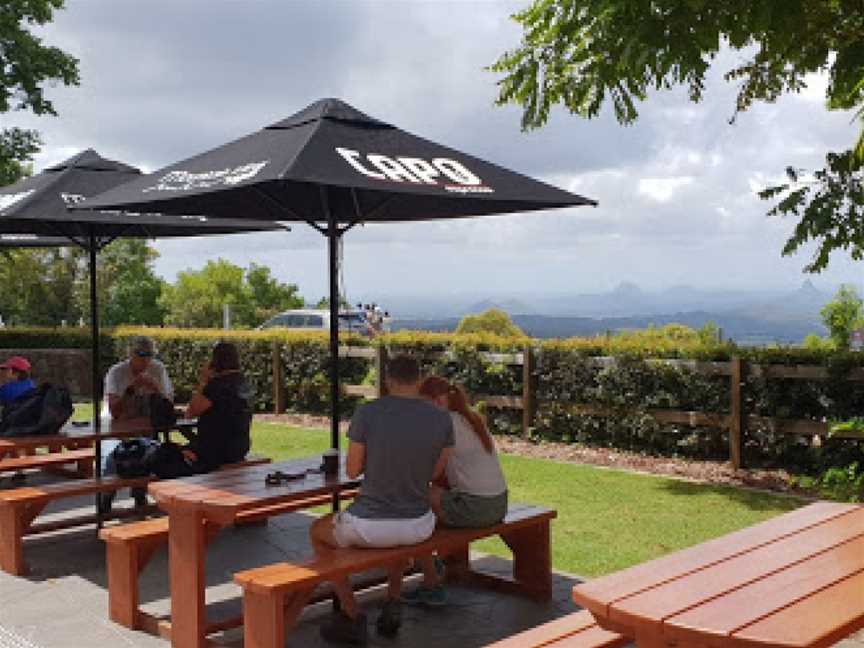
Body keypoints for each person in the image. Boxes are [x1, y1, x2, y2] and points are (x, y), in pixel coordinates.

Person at [309, 355, 454, 646]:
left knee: (317, 532)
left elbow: (351, 469)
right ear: (419, 380)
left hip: (369, 526)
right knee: (398, 544)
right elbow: (437, 471)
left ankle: (352, 613)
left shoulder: (368, 413)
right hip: (419, 524)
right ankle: (392, 600)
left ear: (387, 380)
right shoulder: (441, 419)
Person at [404, 376, 508, 606]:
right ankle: (436, 559)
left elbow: (430, 472)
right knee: (430, 498)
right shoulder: (470, 418)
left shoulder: (444, 424)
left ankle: (431, 578)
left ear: (437, 401)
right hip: (499, 504)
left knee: (411, 502)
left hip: (477, 508)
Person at [100, 336, 173, 513]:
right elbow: (114, 412)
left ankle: (139, 493)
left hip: (145, 426)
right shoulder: (117, 372)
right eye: (141, 355)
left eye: (149, 355)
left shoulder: (158, 369)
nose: (146, 359)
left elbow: (168, 405)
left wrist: (156, 389)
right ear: (130, 354)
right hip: (116, 427)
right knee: (113, 459)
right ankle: (107, 497)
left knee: (150, 451)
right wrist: (131, 388)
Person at [182, 341, 252, 471]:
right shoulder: (244, 383)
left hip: (214, 450)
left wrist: (203, 381)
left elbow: (191, 412)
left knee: (174, 454)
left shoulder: (216, 386)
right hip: (240, 448)